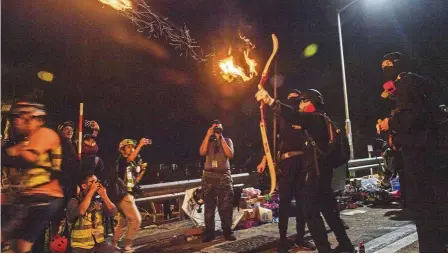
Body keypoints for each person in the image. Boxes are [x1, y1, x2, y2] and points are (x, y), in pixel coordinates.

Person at [256, 87, 354, 252]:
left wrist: (270, 101)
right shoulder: (324, 120)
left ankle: (324, 249)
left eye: (303, 100)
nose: (300, 104)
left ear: (311, 102)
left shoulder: (314, 118)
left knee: (310, 212)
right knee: (329, 211)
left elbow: (295, 116)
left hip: (314, 174)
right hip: (324, 173)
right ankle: (345, 245)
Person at [376, 52, 448, 252]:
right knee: (433, 203)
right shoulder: (416, 84)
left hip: (419, 154)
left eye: (388, 64)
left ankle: (431, 248)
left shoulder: (406, 83)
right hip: (428, 152)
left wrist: (389, 122)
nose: (385, 69)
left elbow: (412, 118)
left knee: (424, 206)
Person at [1, 101, 65, 252]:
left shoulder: (44, 133)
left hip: (39, 198)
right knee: (19, 247)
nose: (16, 121)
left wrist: (10, 152)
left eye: (20, 117)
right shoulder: (28, 140)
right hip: (34, 198)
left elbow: (27, 159)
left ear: (33, 118)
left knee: (4, 236)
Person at [257, 89, 316, 252]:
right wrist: (265, 159)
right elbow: (269, 141)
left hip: (302, 162)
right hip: (286, 164)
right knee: (284, 203)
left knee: (302, 203)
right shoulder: (280, 117)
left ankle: (300, 238)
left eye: (296, 100)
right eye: (290, 99)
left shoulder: (302, 117)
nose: (294, 102)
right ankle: (283, 240)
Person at [199, 119, 236, 242]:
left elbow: (230, 155)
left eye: (219, 128)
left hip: (223, 176)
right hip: (209, 176)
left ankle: (227, 232)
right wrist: (207, 135)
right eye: (215, 128)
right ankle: (209, 233)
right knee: (209, 207)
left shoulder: (227, 141)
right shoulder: (208, 141)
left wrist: (221, 138)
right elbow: (202, 151)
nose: (217, 130)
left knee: (225, 207)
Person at [112, 138, 150, 252]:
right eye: (129, 147)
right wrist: (140, 145)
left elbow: (135, 181)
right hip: (123, 195)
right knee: (137, 220)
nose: (132, 148)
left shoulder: (132, 164)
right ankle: (127, 245)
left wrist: (142, 171)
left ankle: (112, 245)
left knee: (123, 223)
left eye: (132, 147)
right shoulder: (122, 160)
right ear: (122, 150)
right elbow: (130, 158)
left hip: (129, 194)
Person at [66, 173, 118, 252]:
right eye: (92, 182)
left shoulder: (98, 200)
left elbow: (113, 212)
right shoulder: (74, 201)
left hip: (98, 244)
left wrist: (104, 196)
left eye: (97, 181)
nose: (96, 184)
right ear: (84, 186)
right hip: (80, 246)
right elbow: (81, 211)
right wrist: (91, 191)